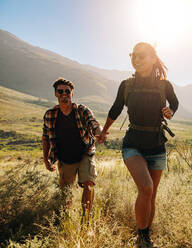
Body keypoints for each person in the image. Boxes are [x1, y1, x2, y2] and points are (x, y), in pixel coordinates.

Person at [98, 42, 179, 247]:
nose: (136, 59)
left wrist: (170, 110)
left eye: (142, 55)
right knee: (146, 187)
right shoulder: (126, 85)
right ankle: (142, 237)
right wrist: (104, 130)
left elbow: (175, 103)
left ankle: (145, 236)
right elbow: (115, 109)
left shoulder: (164, 85)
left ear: (153, 58)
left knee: (151, 195)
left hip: (157, 146)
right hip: (133, 144)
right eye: (133, 55)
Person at [42, 78, 102, 219]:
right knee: (66, 193)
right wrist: (46, 159)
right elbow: (45, 138)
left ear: (72, 94)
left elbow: (93, 123)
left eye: (67, 91)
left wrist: (99, 133)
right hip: (65, 157)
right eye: (60, 91)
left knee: (88, 183)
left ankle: (86, 220)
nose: (64, 94)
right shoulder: (50, 115)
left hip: (85, 153)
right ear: (56, 94)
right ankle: (65, 219)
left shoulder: (81, 110)